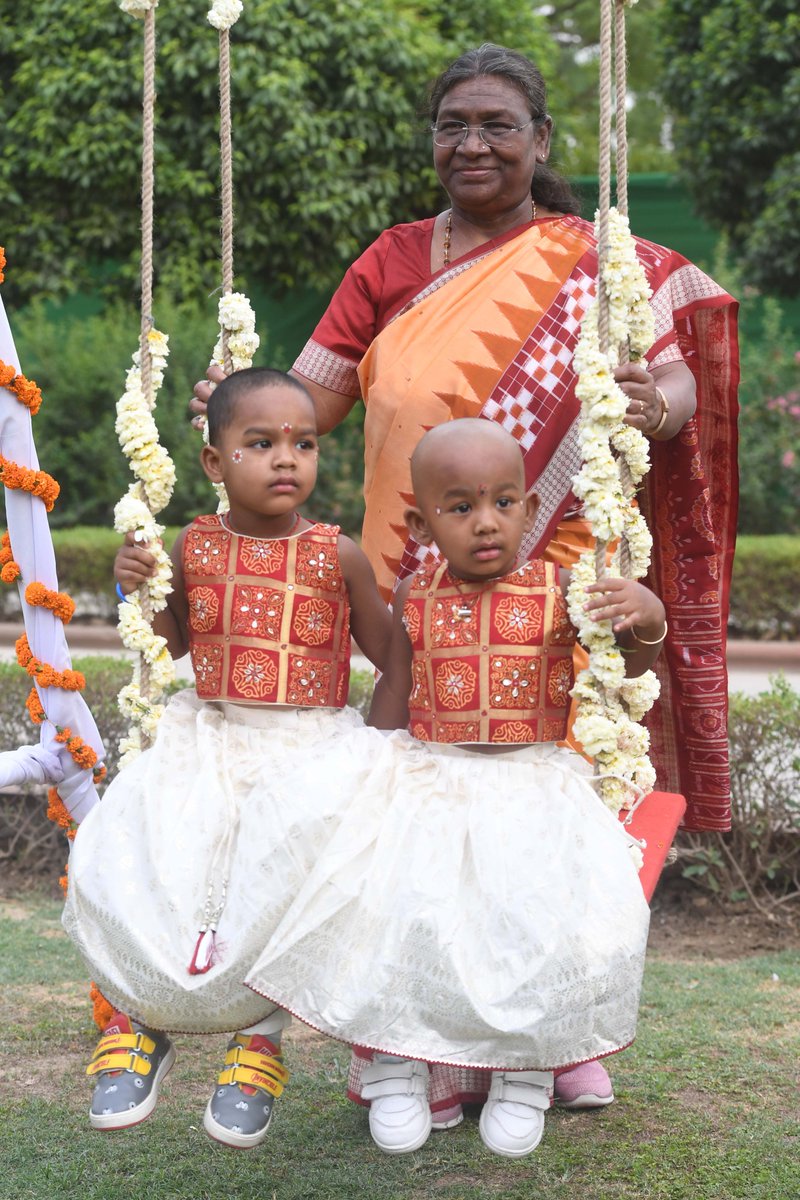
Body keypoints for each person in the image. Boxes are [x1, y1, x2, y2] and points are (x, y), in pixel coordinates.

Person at [192, 43, 738, 1116]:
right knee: (418, 825)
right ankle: (416, 1039)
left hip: (559, 586)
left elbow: (678, 361)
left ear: (539, 141)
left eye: (496, 125)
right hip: (419, 587)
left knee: (550, 828)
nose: (471, 143)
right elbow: (313, 399)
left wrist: (651, 402)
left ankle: (550, 1030)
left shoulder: (603, 255)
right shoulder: (392, 260)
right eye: (452, 125)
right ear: (432, 142)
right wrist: (238, 404)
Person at [245, 418, 667, 1158]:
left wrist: (649, 620)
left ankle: (524, 1073)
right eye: (460, 507)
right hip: (430, 785)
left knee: (529, 931)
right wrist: (361, 775)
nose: (485, 523)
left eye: (504, 502)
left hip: (530, 790)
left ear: (531, 510)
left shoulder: (560, 590)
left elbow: (626, 670)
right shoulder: (415, 590)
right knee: (403, 920)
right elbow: (396, 687)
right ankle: (397, 1068)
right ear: (422, 522)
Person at [62, 368, 394, 1148]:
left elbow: (392, 655)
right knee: (140, 853)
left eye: (303, 443)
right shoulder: (194, 543)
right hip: (207, 732)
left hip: (310, 744)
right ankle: (141, 1023)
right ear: (215, 464)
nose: (287, 459)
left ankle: (260, 1041)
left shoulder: (335, 554)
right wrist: (135, 587)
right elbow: (174, 640)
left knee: (283, 875)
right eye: (261, 443)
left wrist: (384, 751)